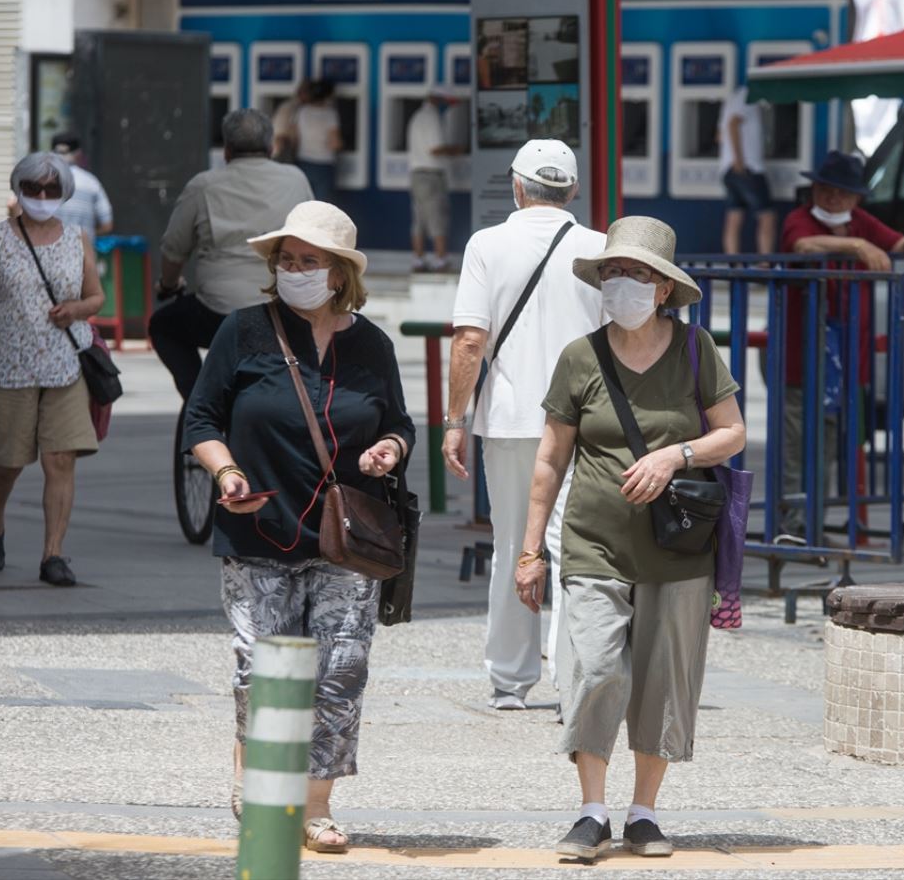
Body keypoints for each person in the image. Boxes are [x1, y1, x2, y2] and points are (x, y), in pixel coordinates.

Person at [184, 200, 413, 854]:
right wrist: (225, 472)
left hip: (348, 537)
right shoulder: (243, 332)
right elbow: (201, 419)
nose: (294, 270)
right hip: (259, 526)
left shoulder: (371, 344)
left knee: (340, 667)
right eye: (286, 260)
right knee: (260, 667)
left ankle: (315, 806)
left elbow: (398, 422)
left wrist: (389, 450)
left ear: (338, 273)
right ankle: (252, 774)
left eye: (308, 261)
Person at [516, 215, 746, 862]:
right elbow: (547, 460)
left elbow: (731, 434)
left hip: (676, 549)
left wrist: (674, 454)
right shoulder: (578, 357)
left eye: (635, 274)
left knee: (661, 681)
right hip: (593, 542)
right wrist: (530, 550)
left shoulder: (695, 350)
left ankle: (643, 812)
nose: (620, 284)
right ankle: (591, 810)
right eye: (611, 272)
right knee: (590, 669)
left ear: (664, 289)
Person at [443, 139, 605, 711]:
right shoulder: (599, 247)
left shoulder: (487, 244)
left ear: (516, 185)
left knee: (514, 541)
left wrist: (454, 421)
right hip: (584, 422)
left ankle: (511, 681)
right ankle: (571, 681)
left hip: (511, 420)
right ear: (573, 190)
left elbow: (468, 341)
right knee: (573, 548)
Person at [0, 152, 105, 587]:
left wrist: (76, 310)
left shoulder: (77, 237)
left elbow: (97, 297)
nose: (41, 197)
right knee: (6, 463)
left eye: (50, 189)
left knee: (60, 459)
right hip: (9, 368)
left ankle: (53, 555)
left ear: (63, 192)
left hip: (65, 367)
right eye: (32, 189)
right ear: (18, 191)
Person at [778, 150, 904, 536]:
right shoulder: (800, 220)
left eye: (842, 193)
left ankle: (812, 522)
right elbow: (801, 246)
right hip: (804, 354)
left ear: (856, 198)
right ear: (814, 189)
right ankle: (794, 524)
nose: (833, 199)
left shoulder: (860, 222)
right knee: (798, 443)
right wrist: (856, 248)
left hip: (847, 357)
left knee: (830, 441)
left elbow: (897, 242)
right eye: (826, 190)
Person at [149, 108, 312, 400]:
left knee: (162, 325)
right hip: (284, 309)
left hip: (218, 313)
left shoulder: (203, 185)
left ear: (226, 151)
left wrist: (169, 286)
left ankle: (200, 396)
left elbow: (174, 250)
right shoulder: (296, 179)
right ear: (271, 146)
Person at [407, 87, 462, 272]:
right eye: (447, 103)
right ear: (437, 100)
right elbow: (435, 149)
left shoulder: (417, 116)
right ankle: (440, 259)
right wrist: (458, 150)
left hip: (416, 175)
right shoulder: (432, 117)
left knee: (419, 220)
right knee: (437, 218)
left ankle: (418, 259)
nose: (447, 108)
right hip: (431, 176)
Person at [717, 87, 775, 256]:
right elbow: (733, 124)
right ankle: (766, 264)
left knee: (734, 216)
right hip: (748, 167)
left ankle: (733, 264)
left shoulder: (732, 98)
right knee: (767, 216)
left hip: (728, 169)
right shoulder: (748, 96)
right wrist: (739, 160)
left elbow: (719, 135)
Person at [50, 131, 114, 243]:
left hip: (48, 254)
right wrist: (88, 235)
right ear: (78, 154)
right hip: (83, 255)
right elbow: (107, 225)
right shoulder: (92, 183)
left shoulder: (41, 182)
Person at [294, 79, 342, 202]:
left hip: (304, 162)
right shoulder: (330, 114)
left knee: (305, 204)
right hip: (324, 165)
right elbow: (335, 143)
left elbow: (295, 137)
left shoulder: (302, 112)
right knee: (322, 206)